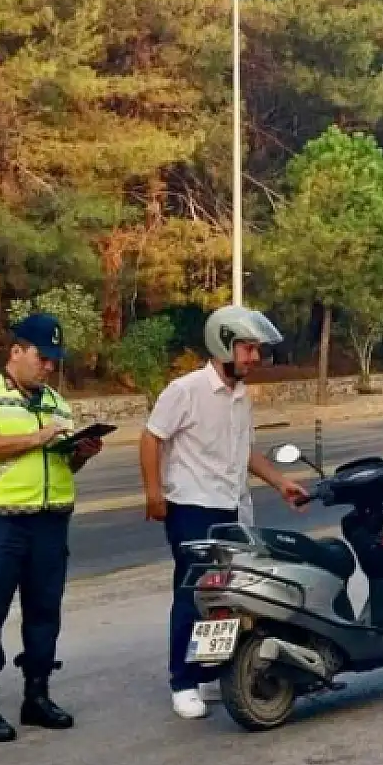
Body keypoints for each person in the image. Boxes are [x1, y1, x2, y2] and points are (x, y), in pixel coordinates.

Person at [139, 305, 308, 719]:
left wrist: (280, 482)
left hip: (232, 507)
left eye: (257, 351)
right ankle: (183, 682)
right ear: (224, 345)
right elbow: (150, 438)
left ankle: (213, 671)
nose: (255, 359)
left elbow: (243, 451)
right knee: (193, 593)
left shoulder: (240, 396)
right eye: (248, 349)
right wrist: (153, 493)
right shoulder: (186, 390)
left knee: (233, 595)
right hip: (192, 507)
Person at [0, 313, 103, 742]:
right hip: (1, 523)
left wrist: (82, 452)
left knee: (44, 613)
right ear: (16, 352)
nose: (48, 367)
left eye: (54, 360)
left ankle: (36, 696)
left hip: (50, 523)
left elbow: (65, 465)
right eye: (42, 358)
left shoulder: (57, 402)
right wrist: (37, 438)